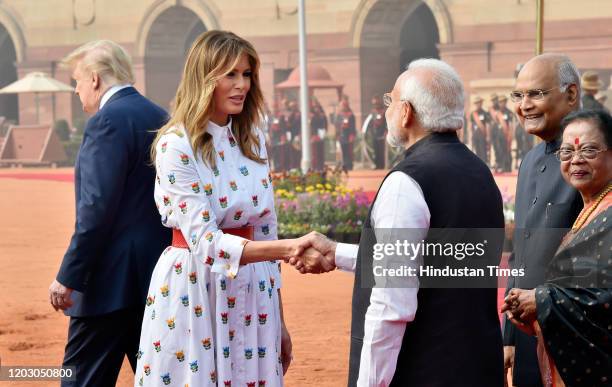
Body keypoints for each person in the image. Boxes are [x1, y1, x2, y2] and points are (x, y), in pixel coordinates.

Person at [291, 59, 505, 386]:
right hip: (476, 365)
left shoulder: (408, 181)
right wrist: (338, 253)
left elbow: (391, 306)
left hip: (423, 369)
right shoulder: (479, 171)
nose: (387, 111)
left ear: (406, 113)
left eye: (389, 102)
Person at [135, 30, 329, 387]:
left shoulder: (252, 139)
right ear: (204, 78)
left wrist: (279, 319)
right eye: (230, 74)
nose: (241, 84)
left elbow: (266, 225)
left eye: (247, 74)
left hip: (256, 293)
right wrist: (290, 248)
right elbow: (206, 242)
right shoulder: (175, 145)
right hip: (196, 288)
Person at [49, 40, 172, 386]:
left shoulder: (106, 121)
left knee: (80, 379)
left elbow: (96, 209)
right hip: (157, 275)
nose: (76, 90)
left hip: (109, 283)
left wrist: (69, 275)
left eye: (77, 80)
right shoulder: (161, 116)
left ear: (96, 79)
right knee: (159, 378)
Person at [502, 109, 612, 387]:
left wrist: (541, 300)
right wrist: (533, 310)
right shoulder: (592, 209)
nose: (576, 160)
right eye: (566, 153)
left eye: (589, 150)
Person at [504, 53, 583, 387]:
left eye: (536, 94)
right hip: (527, 329)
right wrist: (509, 332)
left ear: (571, 94)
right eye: (519, 96)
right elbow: (521, 252)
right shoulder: (530, 160)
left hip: (577, 328)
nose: (525, 105)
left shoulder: (596, 159)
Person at [362, 95, 388, 169]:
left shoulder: (384, 111)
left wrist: (386, 131)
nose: (375, 104)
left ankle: (382, 166)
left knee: (381, 151)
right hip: (374, 134)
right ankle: (376, 165)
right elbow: (370, 123)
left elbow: (386, 123)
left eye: (376, 102)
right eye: (374, 103)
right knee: (375, 151)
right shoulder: (373, 112)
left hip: (382, 134)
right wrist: (370, 131)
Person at [335, 96, 357, 172]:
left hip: (349, 136)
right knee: (343, 152)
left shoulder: (351, 114)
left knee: (349, 152)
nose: (343, 106)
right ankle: (344, 166)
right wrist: (338, 131)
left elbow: (353, 126)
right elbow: (337, 125)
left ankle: (350, 166)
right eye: (342, 104)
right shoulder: (339, 115)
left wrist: (352, 135)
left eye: (345, 104)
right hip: (342, 136)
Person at [469, 94, 491, 165]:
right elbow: (471, 126)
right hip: (475, 135)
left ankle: (484, 164)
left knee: (483, 151)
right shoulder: (473, 114)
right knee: (477, 151)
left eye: (479, 102)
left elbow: (487, 125)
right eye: (476, 103)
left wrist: (488, 136)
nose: (478, 104)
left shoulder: (485, 113)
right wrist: (471, 136)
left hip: (482, 135)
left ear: (481, 103)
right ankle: (478, 165)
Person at [309, 99, 327, 170]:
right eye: (315, 107)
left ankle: (321, 166)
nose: (316, 108)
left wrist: (324, 132)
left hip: (320, 135)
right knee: (314, 153)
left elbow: (325, 124)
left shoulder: (322, 115)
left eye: (317, 107)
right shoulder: (311, 115)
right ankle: (315, 167)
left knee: (320, 152)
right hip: (314, 135)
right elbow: (310, 126)